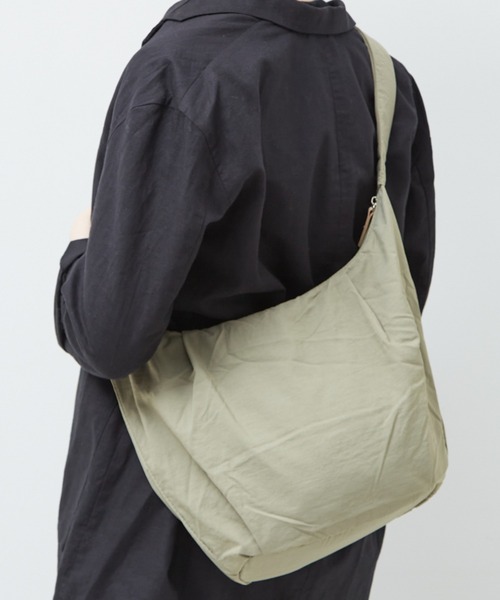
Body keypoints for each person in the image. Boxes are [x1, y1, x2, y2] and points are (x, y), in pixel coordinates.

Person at [52, 0, 435, 598]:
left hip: (167, 520)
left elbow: (109, 337)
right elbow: (399, 300)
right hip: (325, 519)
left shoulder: (183, 71)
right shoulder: (385, 81)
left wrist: (82, 250)